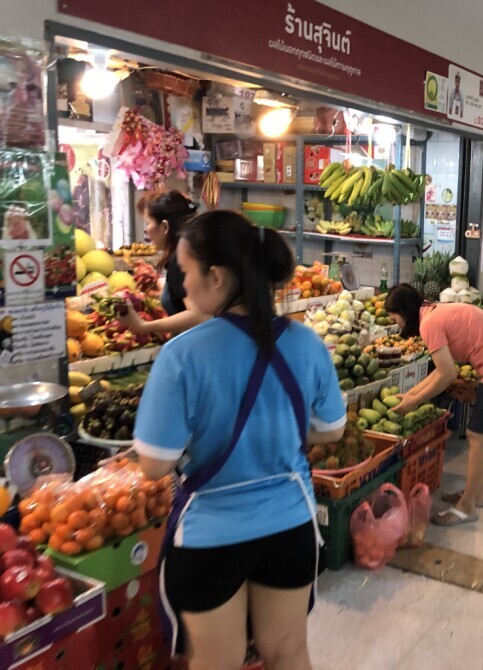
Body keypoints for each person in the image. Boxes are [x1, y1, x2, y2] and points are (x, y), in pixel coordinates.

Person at [133, 211, 346, 669]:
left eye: (185, 272)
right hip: (290, 525)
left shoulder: (181, 355)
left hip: (211, 535)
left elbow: (154, 464)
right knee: (288, 652)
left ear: (215, 275)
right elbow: (332, 429)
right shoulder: (307, 343)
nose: (181, 286)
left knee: (217, 662)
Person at [385, 284, 483, 526]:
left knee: (477, 436)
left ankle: (467, 506)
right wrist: (411, 394)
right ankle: (476, 493)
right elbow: (442, 369)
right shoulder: (433, 312)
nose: (394, 322)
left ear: (404, 311)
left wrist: (414, 401)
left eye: (393, 316)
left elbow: (447, 374)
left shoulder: (429, 324)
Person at [123, 190, 206, 335]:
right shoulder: (191, 250)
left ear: (165, 227)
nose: (146, 231)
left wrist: (144, 326)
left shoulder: (181, 260)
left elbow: (198, 315)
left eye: (148, 223)